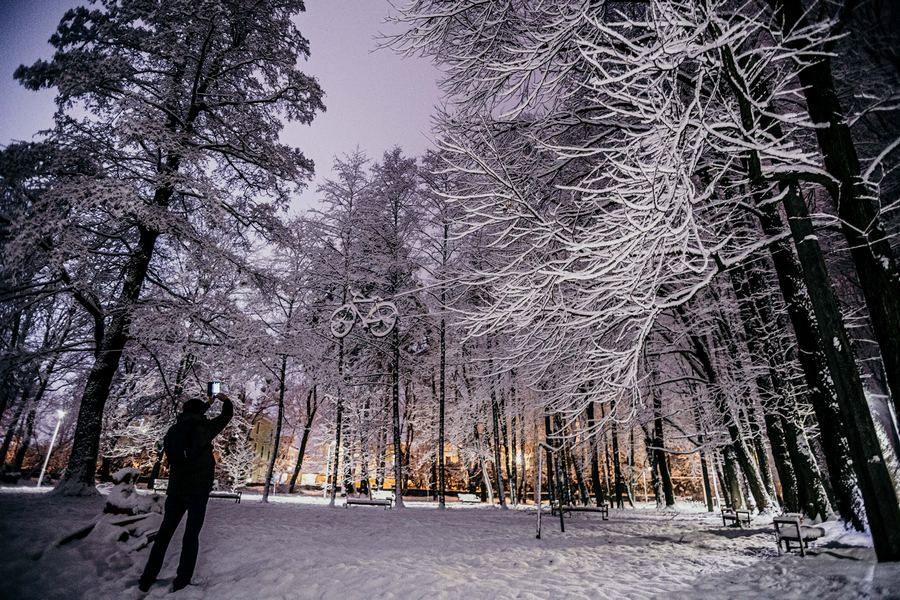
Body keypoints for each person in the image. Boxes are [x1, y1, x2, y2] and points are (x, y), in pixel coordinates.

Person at [138, 392, 233, 593]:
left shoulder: (173, 431)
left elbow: (191, 418)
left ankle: (147, 577)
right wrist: (225, 401)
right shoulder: (203, 429)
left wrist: (206, 404)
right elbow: (225, 417)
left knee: (164, 534)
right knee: (191, 535)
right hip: (197, 491)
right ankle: (182, 579)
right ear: (200, 413)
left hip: (176, 490)